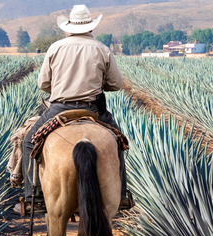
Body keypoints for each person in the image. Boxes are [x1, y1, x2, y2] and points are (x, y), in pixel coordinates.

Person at [17, 4, 130, 214]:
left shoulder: (55, 48)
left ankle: (34, 196)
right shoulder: (102, 49)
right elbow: (115, 84)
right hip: (93, 109)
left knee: (28, 142)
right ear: (90, 27)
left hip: (59, 108)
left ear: (69, 27)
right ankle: (121, 196)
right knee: (118, 142)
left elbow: (43, 84)